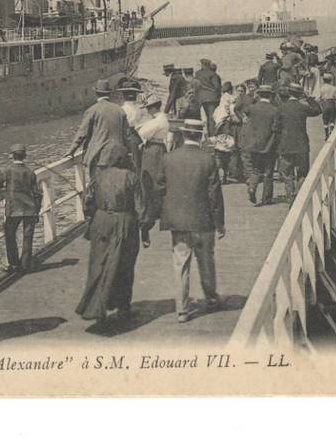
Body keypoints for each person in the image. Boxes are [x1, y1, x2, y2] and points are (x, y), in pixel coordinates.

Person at [158, 118, 226, 322]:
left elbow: (160, 188)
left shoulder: (169, 158)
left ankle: (182, 310)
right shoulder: (208, 159)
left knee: (180, 264)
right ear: (200, 135)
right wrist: (219, 222)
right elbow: (215, 194)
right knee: (206, 261)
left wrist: (167, 212)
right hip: (203, 221)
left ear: (183, 134)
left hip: (178, 222)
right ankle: (211, 298)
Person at [75, 144, 143, 323]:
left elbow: (87, 204)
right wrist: (144, 229)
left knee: (99, 264)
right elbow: (140, 208)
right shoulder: (131, 177)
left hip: (101, 222)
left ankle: (97, 308)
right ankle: (123, 307)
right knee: (125, 266)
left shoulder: (97, 177)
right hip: (124, 222)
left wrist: (93, 218)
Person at [0, 143, 42, 273]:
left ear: (11, 156)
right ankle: (26, 264)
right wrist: (37, 211)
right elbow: (38, 193)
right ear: (25, 156)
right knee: (28, 237)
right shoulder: (30, 172)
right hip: (30, 209)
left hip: (14, 209)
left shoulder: (7, 170)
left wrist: (1, 187)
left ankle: (14, 264)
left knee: (10, 235)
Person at [67, 79, 133, 179]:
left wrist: (71, 150)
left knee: (97, 187)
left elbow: (82, 134)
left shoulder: (92, 110)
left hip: (99, 158)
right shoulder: (120, 110)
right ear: (109, 93)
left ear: (96, 93)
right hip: (119, 156)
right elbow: (128, 136)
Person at [278, 83, 322, 204]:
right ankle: (299, 195)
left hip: (286, 145)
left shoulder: (282, 108)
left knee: (287, 174)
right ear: (299, 94)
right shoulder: (302, 107)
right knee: (302, 173)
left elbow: (276, 127)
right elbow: (318, 110)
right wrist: (308, 98)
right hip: (301, 145)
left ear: (289, 93)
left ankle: (290, 197)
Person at [240, 84, 281, 206]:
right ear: (271, 96)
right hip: (269, 145)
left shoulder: (252, 108)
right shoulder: (275, 110)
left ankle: (252, 187)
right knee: (268, 173)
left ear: (259, 95)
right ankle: (266, 198)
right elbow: (276, 129)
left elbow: (244, 112)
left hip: (254, 145)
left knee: (256, 170)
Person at [136, 93, 168, 248]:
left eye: (148, 108)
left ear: (154, 107)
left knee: (150, 181)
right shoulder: (161, 119)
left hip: (153, 150)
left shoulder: (159, 120)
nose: (147, 111)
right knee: (157, 180)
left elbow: (142, 133)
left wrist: (142, 126)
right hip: (157, 148)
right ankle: (154, 212)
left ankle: (146, 219)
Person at [212, 81, 243, 183]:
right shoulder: (230, 100)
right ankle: (225, 175)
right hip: (227, 129)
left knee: (219, 154)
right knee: (226, 154)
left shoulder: (218, 108)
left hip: (219, 129)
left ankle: (221, 176)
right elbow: (233, 112)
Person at [194, 59, 221, 137]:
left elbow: (196, 86)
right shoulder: (213, 74)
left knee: (203, 118)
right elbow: (217, 87)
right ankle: (212, 136)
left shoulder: (197, 73)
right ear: (208, 65)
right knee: (211, 118)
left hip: (201, 98)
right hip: (212, 99)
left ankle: (201, 135)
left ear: (202, 64)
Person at [316, 73, 336, 139]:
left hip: (324, 104)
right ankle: (332, 132)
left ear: (323, 80)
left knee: (325, 120)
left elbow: (317, 98)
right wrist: (334, 98)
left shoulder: (321, 88)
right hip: (331, 103)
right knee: (332, 119)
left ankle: (326, 134)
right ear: (330, 80)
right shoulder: (333, 88)